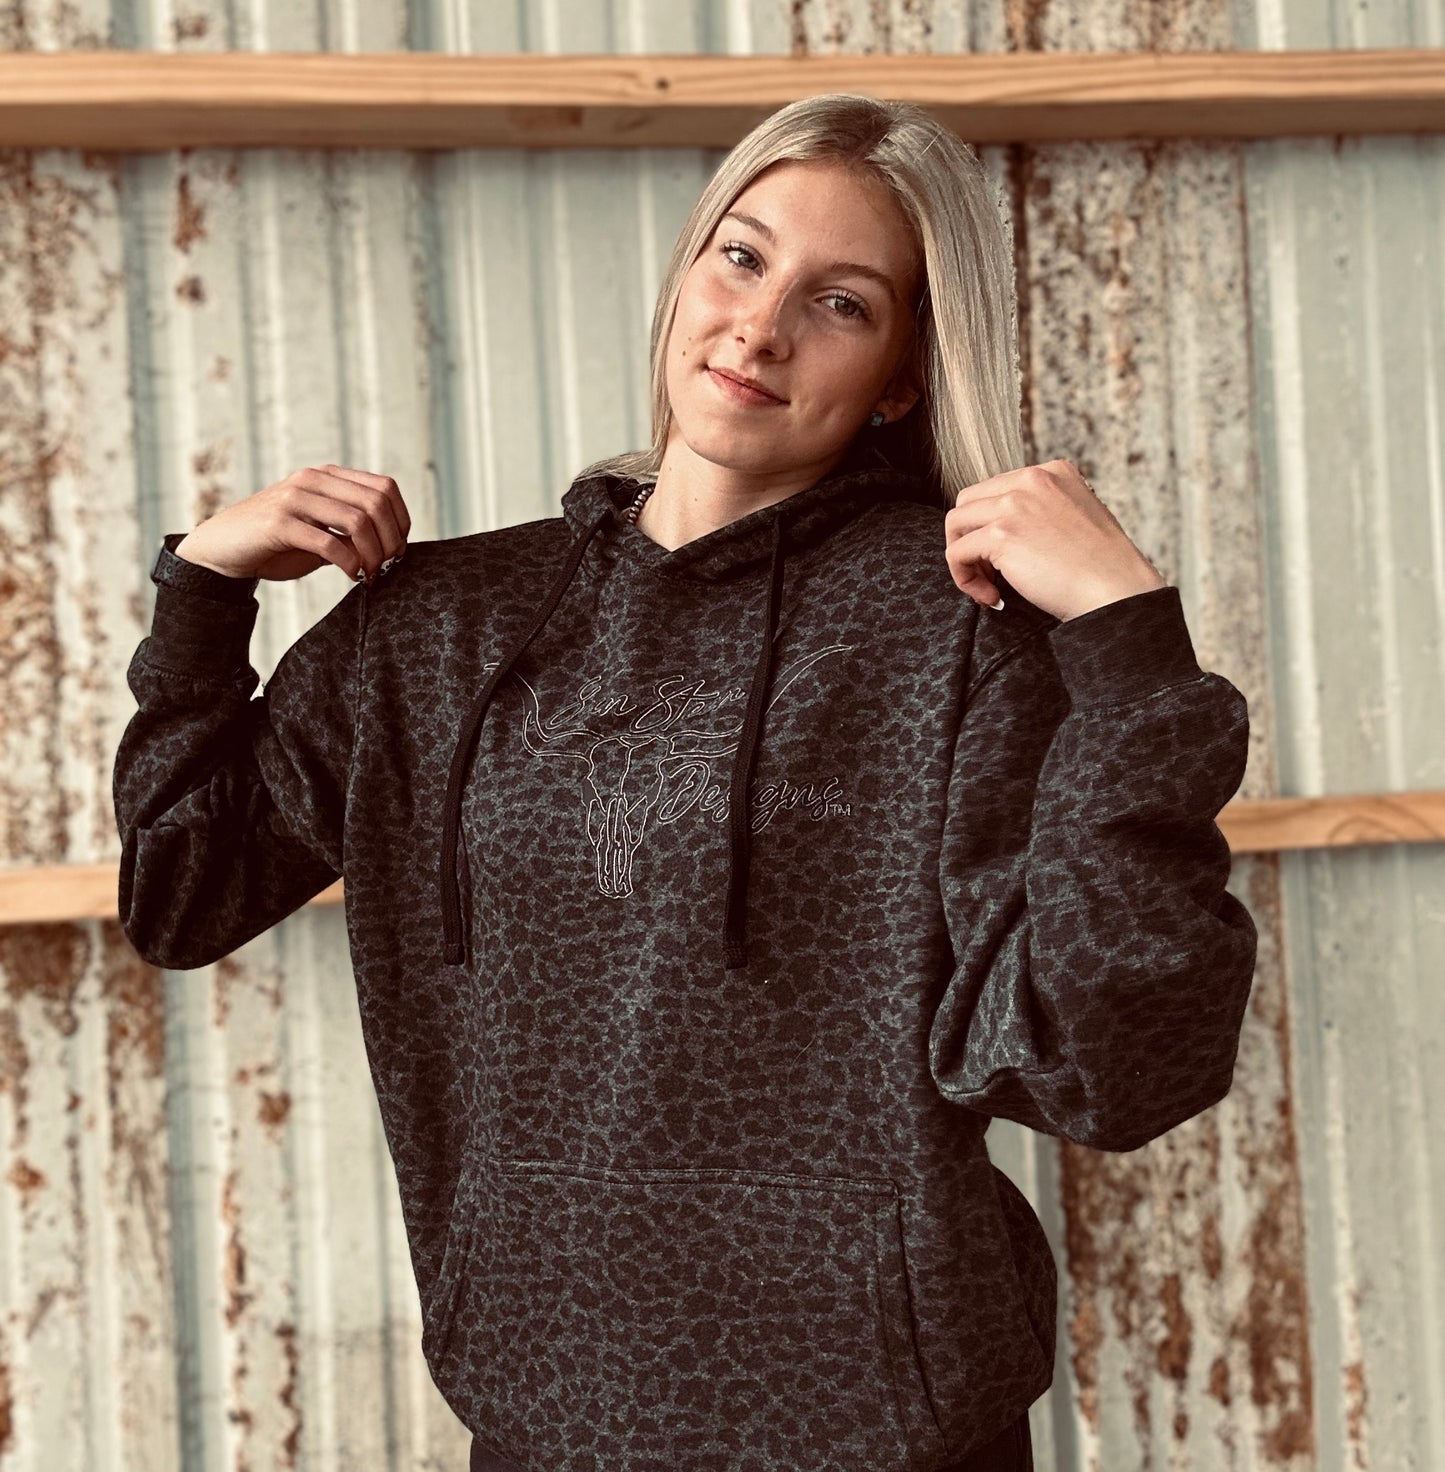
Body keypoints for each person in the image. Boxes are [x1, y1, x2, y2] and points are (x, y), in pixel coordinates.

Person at [112, 92, 1258, 1472]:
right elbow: (181, 894)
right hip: (543, 1408)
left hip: (883, 1432)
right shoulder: (442, 627)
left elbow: (1114, 1068)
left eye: (840, 303)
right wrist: (203, 592)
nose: (759, 328)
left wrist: (1130, 649)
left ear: (902, 373)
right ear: (684, 274)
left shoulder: (961, 631)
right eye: (741, 257)